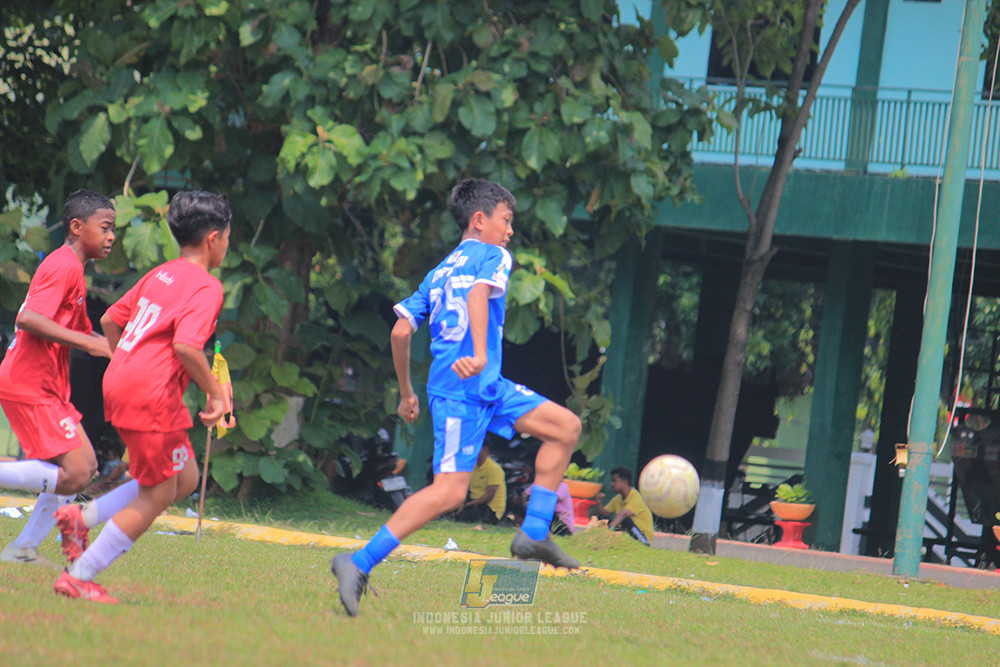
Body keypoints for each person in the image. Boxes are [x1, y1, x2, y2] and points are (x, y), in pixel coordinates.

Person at [331, 179, 582, 617]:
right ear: (479, 220)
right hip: (461, 391)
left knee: (565, 428)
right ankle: (357, 562)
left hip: (487, 387)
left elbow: (400, 330)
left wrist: (407, 392)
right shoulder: (494, 256)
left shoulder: (438, 271)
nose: (509, 231)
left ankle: (534, 533)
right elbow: (478, 294)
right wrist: (482, 353)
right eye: (506, 220)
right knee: (449, 492)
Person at [52, 191, 231, 604]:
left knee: (183, 479)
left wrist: (130, 362)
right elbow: (188, 347)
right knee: (159, 493)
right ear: (214, 239)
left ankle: (81, 517)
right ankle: (81, 574)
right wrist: (216, 393)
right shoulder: (206, 287)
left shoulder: (162, 273)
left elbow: (111, 318)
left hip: (122, 383)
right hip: (151, 394)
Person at [0, 190, 117, 566]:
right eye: (106, 228)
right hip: (29, 383)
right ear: (76, 226)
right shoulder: (63, 265)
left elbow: (87, 334)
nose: (112, 236)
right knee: (77, 471)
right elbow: (29, 319)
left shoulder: (74, 270)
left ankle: (22, 549)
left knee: (85, 467)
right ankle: (23, 547)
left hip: (48, 386)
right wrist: (92, 344)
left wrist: (123, 348)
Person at [593, 467, 654, 545]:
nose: (611, 484)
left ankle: (607, 538)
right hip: (628, 537)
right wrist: (598, 502)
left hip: (643, 539)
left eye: (614, 481)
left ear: (625, 483)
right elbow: (605, 513)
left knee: (625, 520)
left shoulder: (636, 497)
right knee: (602, 517)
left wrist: (608, 532)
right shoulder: (618, 499)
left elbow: (623, 514)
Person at [455, 443, 506, 525]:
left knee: (466, 514)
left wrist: (466, 505)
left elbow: (489, 496)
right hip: (473, 503)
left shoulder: (494, 468)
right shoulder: (472, 467)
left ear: (485, 450)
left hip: (490, 509)